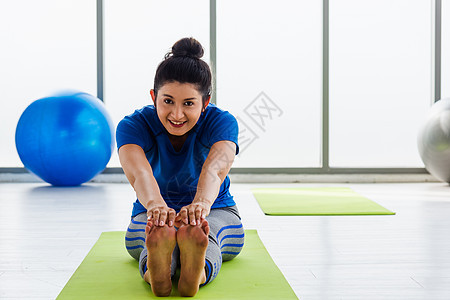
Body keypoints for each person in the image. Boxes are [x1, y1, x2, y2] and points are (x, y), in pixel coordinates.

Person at [116, 37, 245, 297]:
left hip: (216, 209)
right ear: (154, 97)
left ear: (205, 102)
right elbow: (139, 173)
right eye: (167, 101)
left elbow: (215, 168)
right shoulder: (133, 126)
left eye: (188, 103)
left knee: (203, 231)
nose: (176, 114)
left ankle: (185, 272)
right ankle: (164, 270)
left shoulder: (222, 122)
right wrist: (156, 207)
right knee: (155, 233)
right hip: (152, 215)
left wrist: (201, 206)